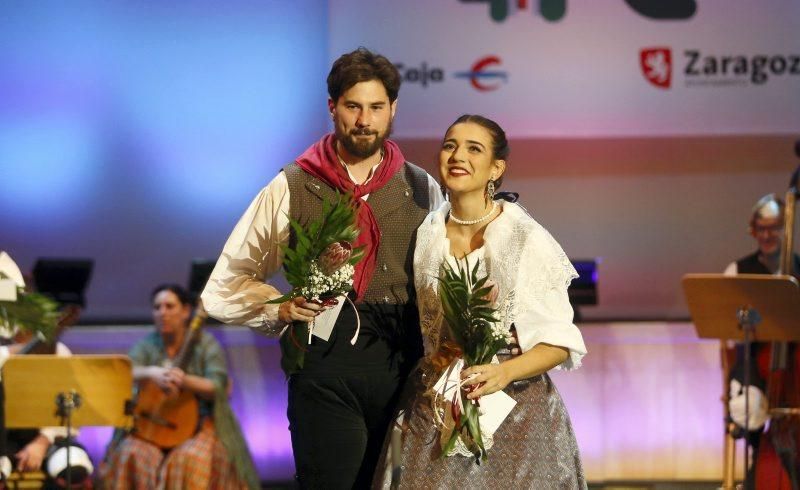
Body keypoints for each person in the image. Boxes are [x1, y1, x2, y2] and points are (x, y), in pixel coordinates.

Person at [201, 47, 442, 488]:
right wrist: (280, 306)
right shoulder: (293, 183)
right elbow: (227, 282)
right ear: (333, 108)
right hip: (325, 362)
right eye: (353, 107)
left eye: (376, 108)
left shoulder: (420, 186)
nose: (364, 120)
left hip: (402, 362)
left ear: (393, 110)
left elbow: (442, 278)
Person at [374, 115, 587, 488]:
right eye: (450, 145)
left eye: (475, 148)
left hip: (516, 409)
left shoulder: (523, 237)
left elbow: (558, 343)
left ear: (496, 167)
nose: (458, 156)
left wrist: (502, 372)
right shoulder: (427, 233)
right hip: (439, 401)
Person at [101, 284, 257, 490]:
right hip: (152, 424)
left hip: (199, 427)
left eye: (169, 306)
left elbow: (218, 386)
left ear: (186, 311)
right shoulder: (148, 344)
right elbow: (125, 372)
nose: (162, 312)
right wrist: (152, 373)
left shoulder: (206, 344)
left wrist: (184, 380)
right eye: (157, 307)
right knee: (131, 453)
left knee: (188, 459)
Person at [724, 194, 800, 489]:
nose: (768, 234)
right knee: (749, 406)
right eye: (762, 228)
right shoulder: (737, 271)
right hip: (754, 367)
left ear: (787, 229)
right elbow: (729, 344)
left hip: (793, 373)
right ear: (752, 231)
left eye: (776, 227)